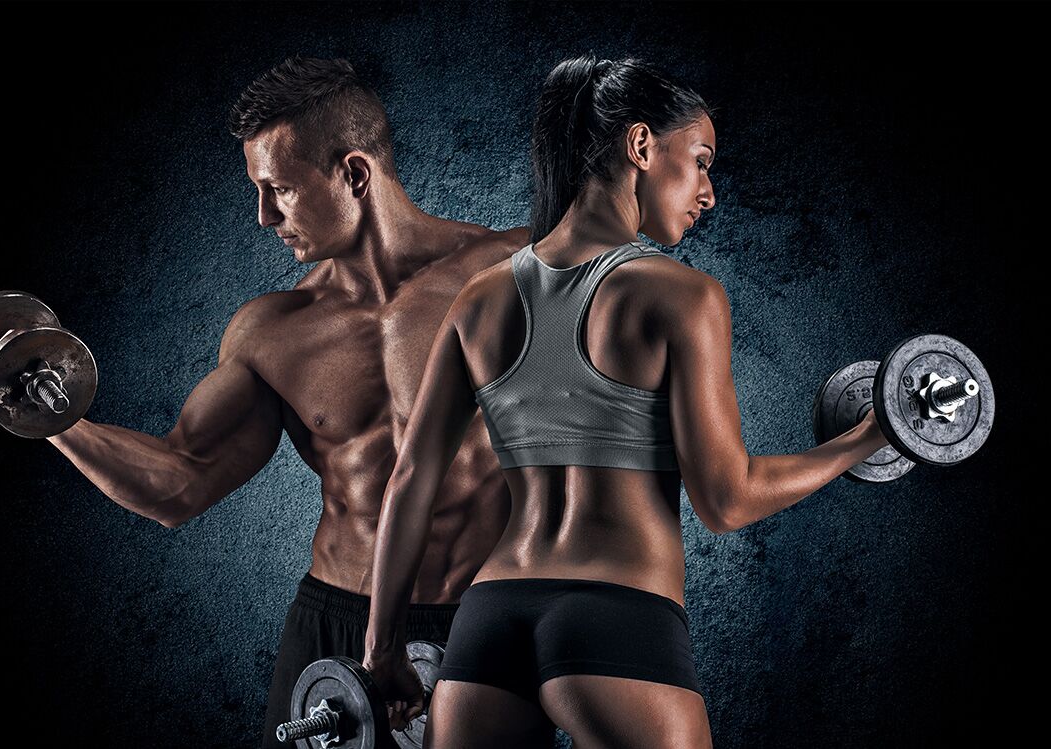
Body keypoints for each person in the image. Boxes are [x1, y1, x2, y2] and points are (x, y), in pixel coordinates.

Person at [361, 54, 892, 748]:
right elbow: (726, 500)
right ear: (641, 146)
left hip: (489, 624)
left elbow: (410, 480)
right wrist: (868, 437)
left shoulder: (478, 298)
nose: (708, 191)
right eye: (700, 160)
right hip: (617, 619)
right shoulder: (681, 295)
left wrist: (383, 651)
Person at [41, 56, 528, 747]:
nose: (264, 215)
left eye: (280, 190)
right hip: (336, 623)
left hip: (487, 619)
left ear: (354, 173)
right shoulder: (274, 331)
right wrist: (57, 421)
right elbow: (180, 483)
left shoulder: (513, 273)